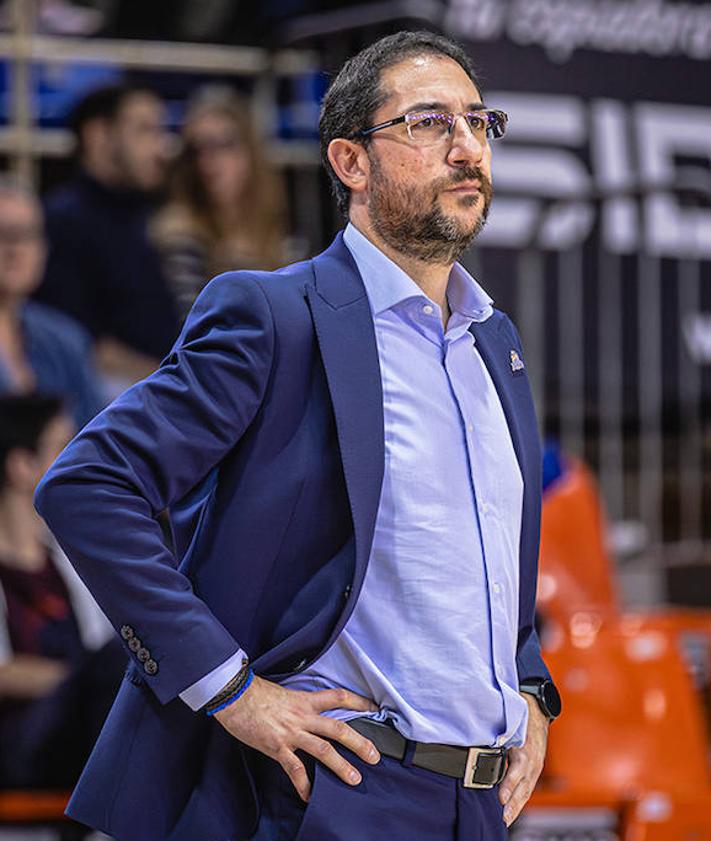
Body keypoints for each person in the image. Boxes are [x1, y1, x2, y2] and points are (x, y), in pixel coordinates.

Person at [34, 30, 561, 841]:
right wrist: (233, 690)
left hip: (478, 801)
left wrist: (528, 687)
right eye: (427, 123)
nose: (465, 147)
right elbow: (88, 484)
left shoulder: (497, 340)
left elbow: (491, 561)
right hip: (331, 789)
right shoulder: (273, 314)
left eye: (477, 122)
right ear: (351, 162)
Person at [0, 394, 123, 789]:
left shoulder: (65, 558)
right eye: (62, 445)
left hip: (81, 720)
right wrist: (78, 680)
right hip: (20, 739)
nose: (78, 456)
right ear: (22, 466)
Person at [33, 83, 180, 390]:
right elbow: (81, 346)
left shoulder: (153, 216)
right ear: (99, 135)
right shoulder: (63, 221)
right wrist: (177, 379)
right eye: (145, 130)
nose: (162, 147)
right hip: (114, 400)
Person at [152, 86, 288, 322]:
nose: (209, 162)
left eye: (223, 144)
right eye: (198, 149)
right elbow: (198, 331)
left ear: (250, 151)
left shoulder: (275, 233)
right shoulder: (180, 236)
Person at [0, 179, 104, 429]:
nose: (15, 249)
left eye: (26, 235)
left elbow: (96, 440)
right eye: (2, 234)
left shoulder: (66, 341)